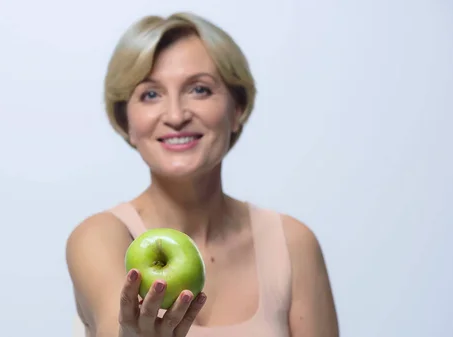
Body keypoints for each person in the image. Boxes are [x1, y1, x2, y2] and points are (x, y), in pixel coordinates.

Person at [66, 11, 339, 337]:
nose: (176, 115)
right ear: (126, 121)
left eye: (199, 89)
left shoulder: (293, 243)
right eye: (151, 94)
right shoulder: (102, 237)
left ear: (237, 109)